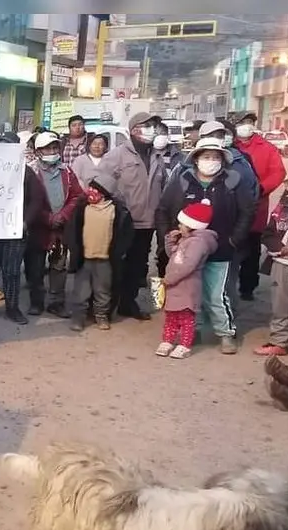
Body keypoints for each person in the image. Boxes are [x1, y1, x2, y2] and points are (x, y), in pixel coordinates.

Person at [155, 137, 254, 355]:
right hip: (188, 249)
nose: (211, 161)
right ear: (196, 159)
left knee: (216, 295)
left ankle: (225, 333)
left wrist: (234, 240)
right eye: (206, 156)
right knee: (191, 294)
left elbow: (247, 212)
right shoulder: (182, 180)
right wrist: (168, 237)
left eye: (216, 157)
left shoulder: (233, 181)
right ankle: (194, 330)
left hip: (221, 250)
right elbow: (163, 209)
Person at [97, 112, 167, 321]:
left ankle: (128, 303)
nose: (152, 130)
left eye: (153, 125)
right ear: (134, 129)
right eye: (148, 125)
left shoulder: (157, 156)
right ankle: (106, 307)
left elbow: (162, 186)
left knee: (138, 266)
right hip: (123, 222)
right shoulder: (117, 155)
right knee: (116, 265)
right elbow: (101, 185)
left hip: (148, 222)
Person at [0, 131, 45, 325]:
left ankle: (12, 308)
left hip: (14, 229)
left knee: (12, 271)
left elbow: (37, 199)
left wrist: (26, 221)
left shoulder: (25, 172)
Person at [254, 163, 288, 364]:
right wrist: (280, 248)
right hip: (281, 261)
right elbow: (269, 233)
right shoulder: (285, 205)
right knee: (280, 305)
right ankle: (279, 341)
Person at [65, 173, 133, 332]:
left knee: (103, 290)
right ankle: (78, 317)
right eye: (91, 188)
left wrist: (119, 252)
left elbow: (125, 235)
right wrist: (73, 249)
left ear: (105, 193)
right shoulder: (82, 208)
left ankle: (101, 315)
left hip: (105, 259)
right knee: (81, 291)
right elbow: (72, 231)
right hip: (84, 259)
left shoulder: (117, 211)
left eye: (96, 189)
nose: (91, 191)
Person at [27, 132, 84, 319]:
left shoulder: (66, 171)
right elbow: (27, 201)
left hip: (61, 229)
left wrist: (63, 215)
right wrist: (47, 218)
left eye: (54, 147)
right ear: (38, 151)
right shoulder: (30, 171)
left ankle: (56, 303)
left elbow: (77, 196)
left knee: (59, 268)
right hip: (37, 229)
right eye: (47, 148)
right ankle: (36, 302)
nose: (52, 151)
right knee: (35, 268)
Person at [234, 111, 287, 301]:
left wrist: (261, 188)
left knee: (251, 249)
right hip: (231, 206)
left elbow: (278, 172)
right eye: (242, 122)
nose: (246, 125)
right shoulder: (230, 146)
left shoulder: (267, 148)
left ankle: (247, 287)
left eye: (249, 121)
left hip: (257, 206)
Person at [156, 199, 218, 360]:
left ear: (192, 225)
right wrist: (170, 240)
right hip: (175, 285)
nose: (179, 226)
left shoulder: (197, 243)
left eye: (181, 224)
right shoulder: (185, 239)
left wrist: (169, 279)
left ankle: (184, 344)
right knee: (171, 315)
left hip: (187, 285)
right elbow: (173, 256)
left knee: (186, 318)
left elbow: (188, 265)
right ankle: (168, 340)